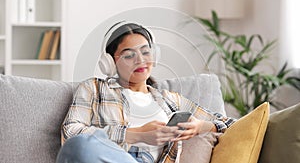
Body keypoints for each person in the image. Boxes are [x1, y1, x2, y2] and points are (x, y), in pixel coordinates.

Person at [56, 21, 236, 163]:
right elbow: (70, 133)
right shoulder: (95, 89)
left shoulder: (170, 100)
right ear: (110, 63)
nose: (140, 60)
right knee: (80, 146)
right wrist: (137, 134)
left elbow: (232, 124)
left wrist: (201, 126)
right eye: (129, 55)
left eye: (145, 52)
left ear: (155, 55)